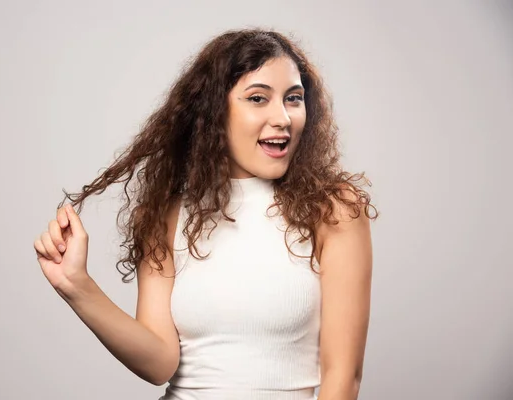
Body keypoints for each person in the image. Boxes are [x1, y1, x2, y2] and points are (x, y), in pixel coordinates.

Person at [33, 28, 378, 400]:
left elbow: (344, 378)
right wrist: (75, 285)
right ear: (215, 112)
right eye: (258, 98)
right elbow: (159, 363)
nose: (282, 117)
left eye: (293, 99)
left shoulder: (333, 210)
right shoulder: (169, 214)